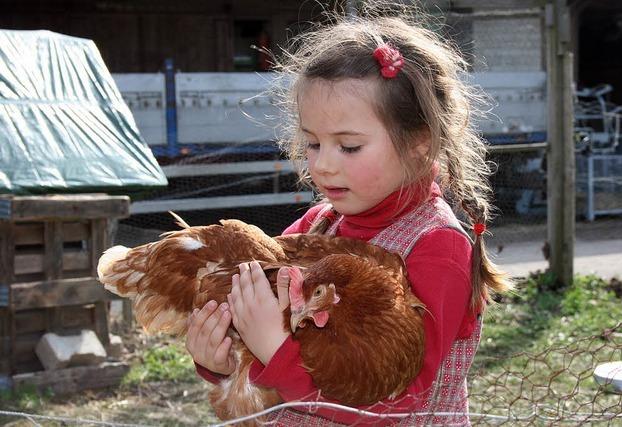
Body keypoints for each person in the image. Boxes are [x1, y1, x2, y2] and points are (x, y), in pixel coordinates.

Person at [186, 5, 512, 425]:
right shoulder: (315, 225)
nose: (322, 165)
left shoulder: (437, 247)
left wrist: (274, 349)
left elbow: (401, 404)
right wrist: (221, 359)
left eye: (349, 146)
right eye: (313, 143)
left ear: (419, 143)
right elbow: (261, 363)